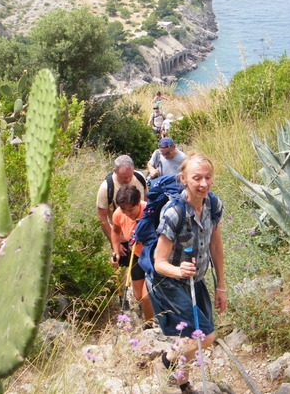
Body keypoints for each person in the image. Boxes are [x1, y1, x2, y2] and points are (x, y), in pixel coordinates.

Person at [148, 153, 225, 394]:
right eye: (197, 178)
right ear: (183, 179)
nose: (203, 184)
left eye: (208, 178)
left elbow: (215, 245)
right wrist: (179, 270)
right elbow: (158, 262)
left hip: (196, 279)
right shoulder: (173, 212)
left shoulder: (213, 204)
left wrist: (221, 284)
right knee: (204, 335)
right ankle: (165, 361)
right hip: (168, 281)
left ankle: (183, 384)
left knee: (190, 335)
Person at [110, 185, 154, 327]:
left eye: (130, 210)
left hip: (153, 257)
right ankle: (151, 314)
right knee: (138, 296)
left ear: (138, 203)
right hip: (135, 255)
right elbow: (116, 231)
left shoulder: (151, 211)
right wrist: (116, 251)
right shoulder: (118, 213)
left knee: (147, 297)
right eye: (123, 209)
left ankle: (149, 326)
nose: (127, 213)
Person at [96, 155, 147, 247]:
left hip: (143, 235)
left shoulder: (140, 177)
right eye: (123, 177)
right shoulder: (106, 188)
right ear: (114, 171)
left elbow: (147, 201)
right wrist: (115, 243)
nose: (127, 180)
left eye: (130, 176)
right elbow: (102, 218)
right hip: (122, 239)